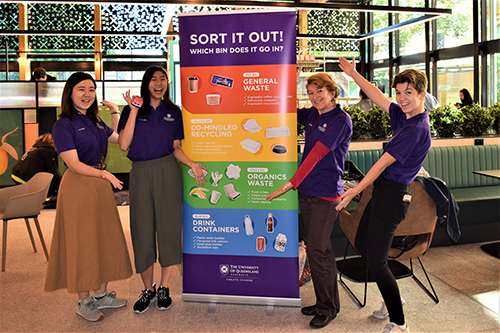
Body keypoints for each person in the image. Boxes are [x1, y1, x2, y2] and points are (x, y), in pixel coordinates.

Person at [338, 57, 431, 333]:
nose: (402, 98)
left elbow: (381, 164)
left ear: (422, 94)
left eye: (408, 93)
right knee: (366, 246)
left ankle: (399, 321)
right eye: (399, 93)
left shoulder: (416, 128)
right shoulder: (405, 116)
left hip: (393, 197)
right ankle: (393, 300)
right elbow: (378, 96)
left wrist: (355, 188)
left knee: (377, 259)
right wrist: (354, 74)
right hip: (382, 193)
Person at [118, 66, 207, 314]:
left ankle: (164, 287)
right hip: (141, 172)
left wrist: (191, 164)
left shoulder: (174, 112)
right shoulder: (130, 110)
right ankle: (148, 288)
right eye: (154, 79)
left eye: (163, 79)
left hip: (168, 171)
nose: (159, 83)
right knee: (141, 228)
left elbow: (175, 147)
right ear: (146, 84)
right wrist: (134, 111)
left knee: (169, 227)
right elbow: (124, 144)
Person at [44, 72, 133, 322]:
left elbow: (119, 140)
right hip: (79, 187)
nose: (87, 94)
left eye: (91, 89)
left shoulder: (93, 120)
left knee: (102, 240)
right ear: (70, 92)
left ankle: (101, 295)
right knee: (82, 244)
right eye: (81, 89)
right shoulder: (63, 124)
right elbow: (72, 163)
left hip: (98, 186)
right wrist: (104, 176)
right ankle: (84, 301)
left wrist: (117, 110)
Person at [267, 73, 352, 329]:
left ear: (332, 92)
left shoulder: (340, 120)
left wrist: (291, 182)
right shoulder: (314, 114)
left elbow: (315, 155)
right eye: (311, 92)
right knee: (316, 249)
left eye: (320, 92)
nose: (315, 97)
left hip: (326, 195)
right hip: (307, 192)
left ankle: (328, 308)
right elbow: (287, 111)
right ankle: (323, 301)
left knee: (319, 249)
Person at [11, 133, 61, 197]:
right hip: (24, 176)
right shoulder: (47, 151)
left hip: (16, 173)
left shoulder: (36, 147)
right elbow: (51, 169)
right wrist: (60, 182)